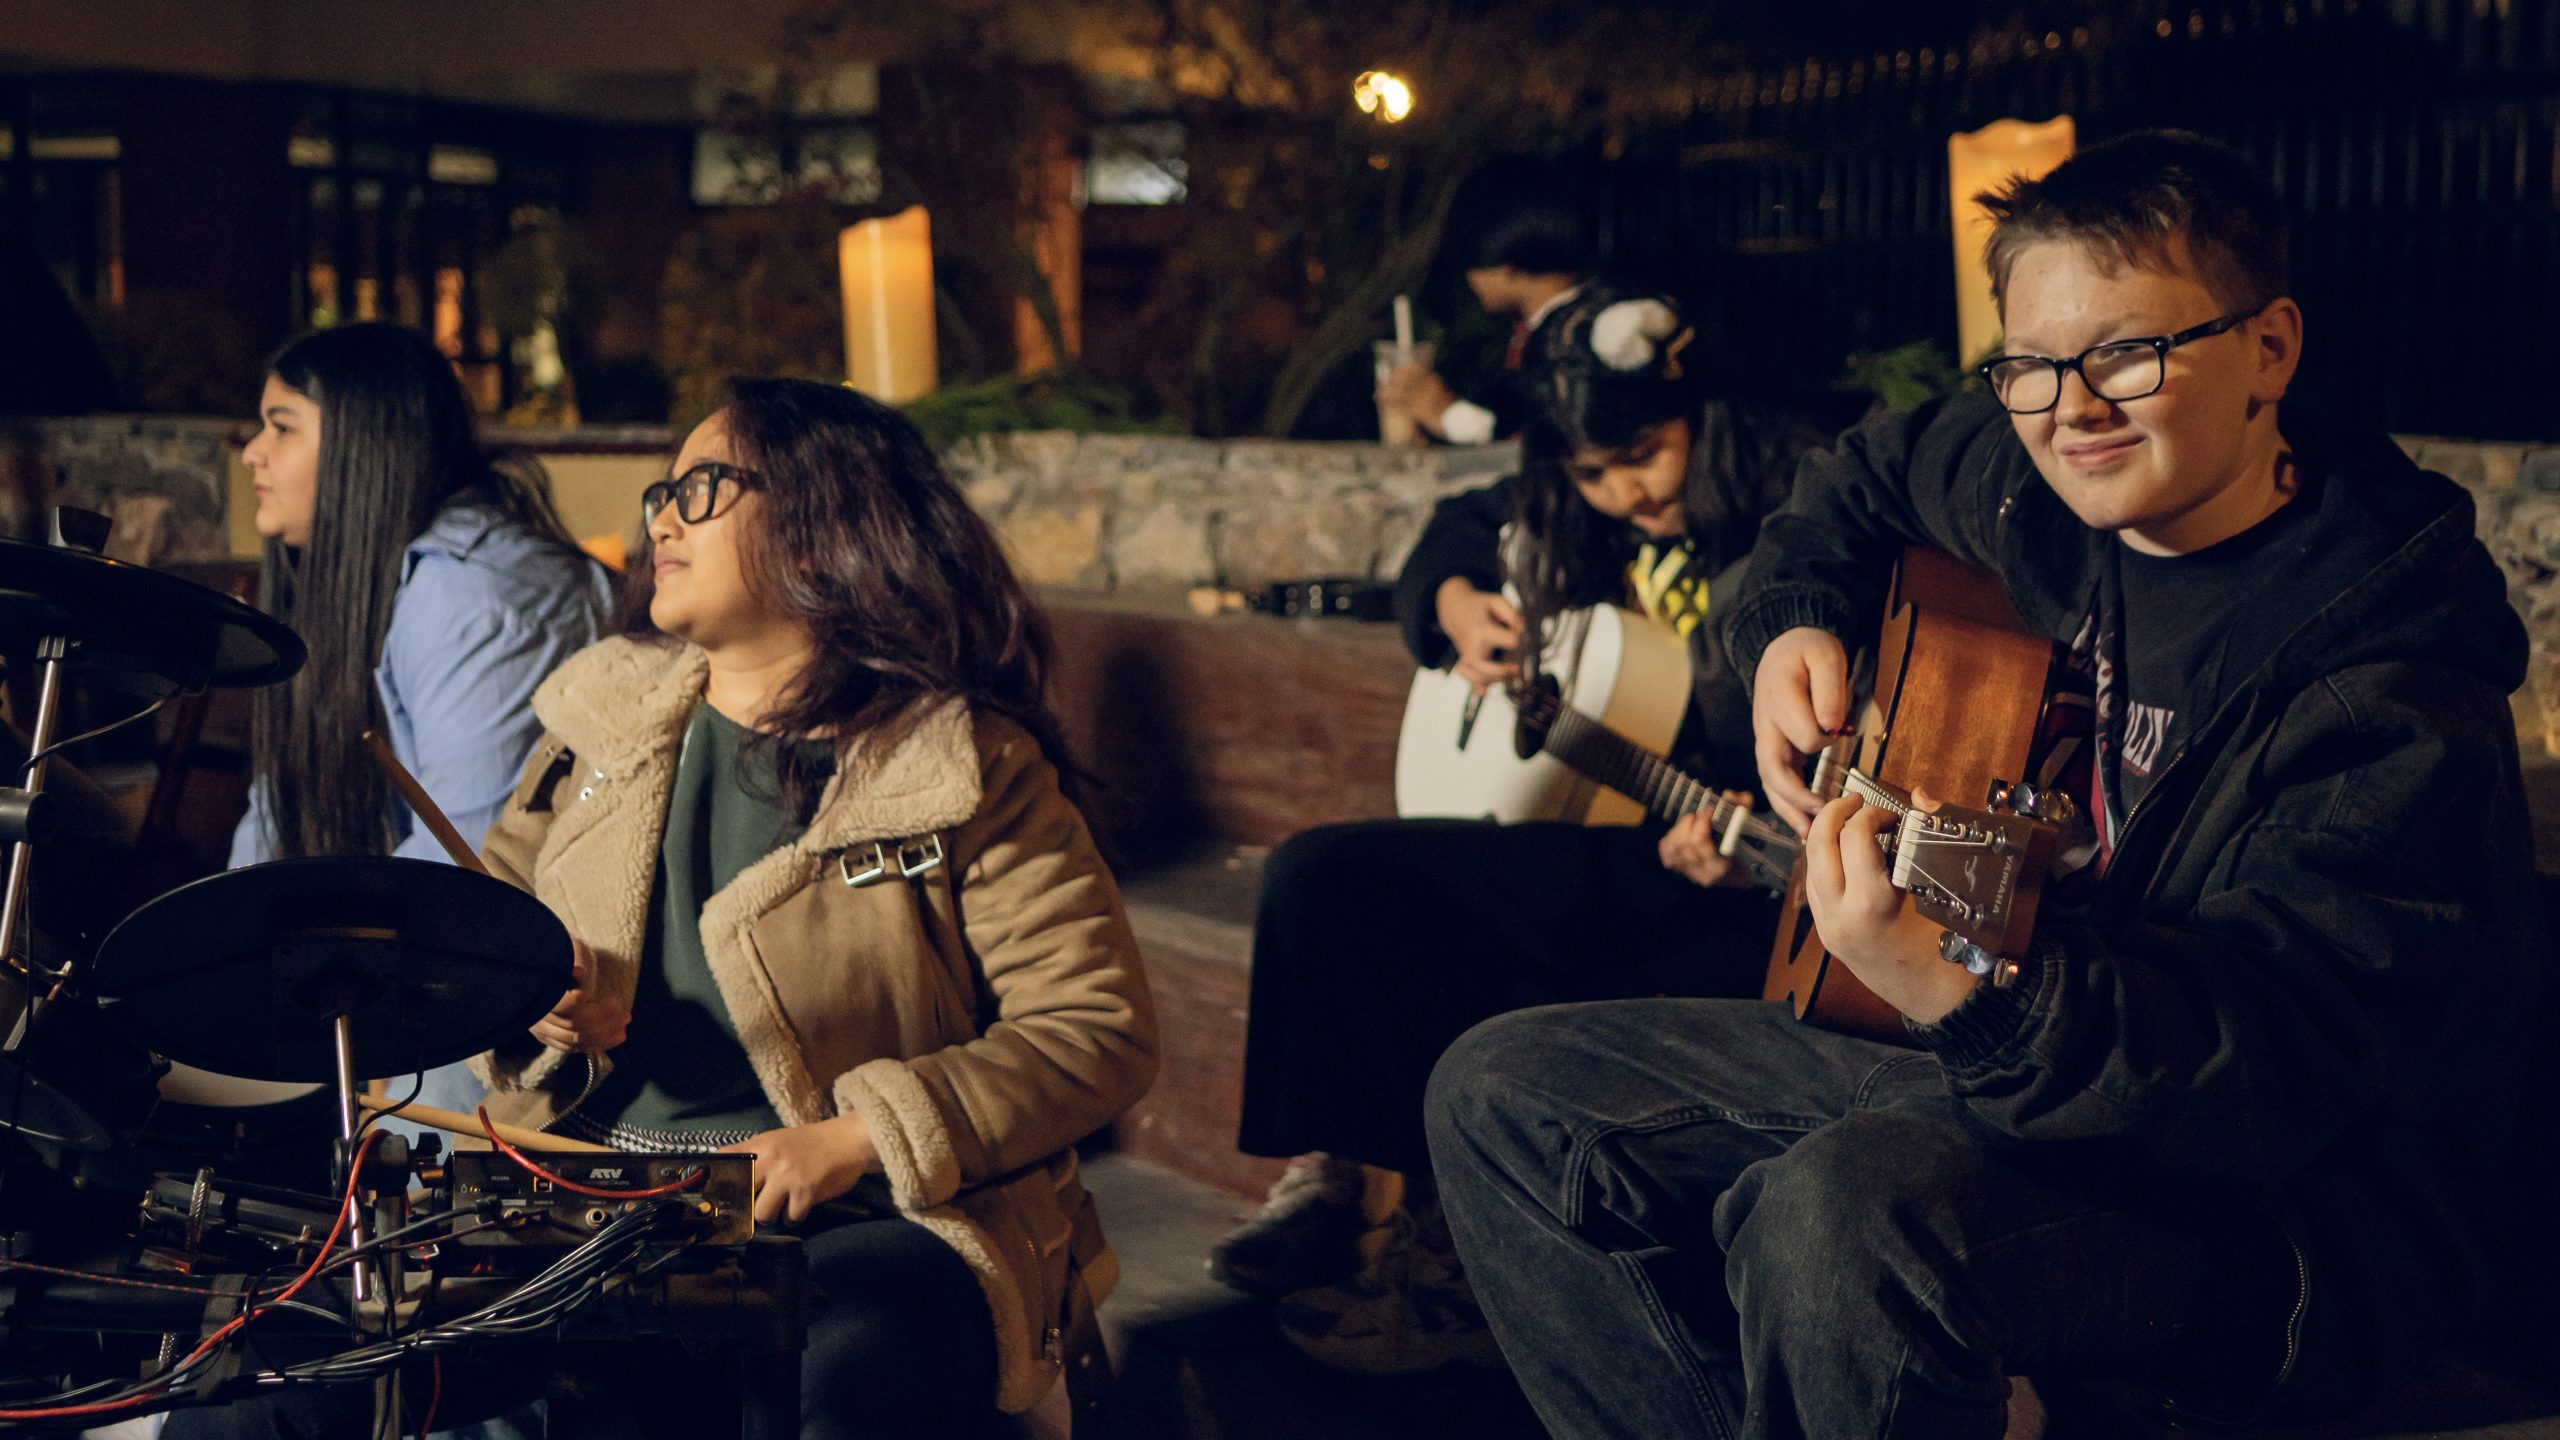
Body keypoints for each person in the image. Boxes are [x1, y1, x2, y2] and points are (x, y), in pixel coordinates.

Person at [1426, 130, 2538, 1439]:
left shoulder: (2384, 694)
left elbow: (2260, 1076)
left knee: (1844, 1212)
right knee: (1503, 1095)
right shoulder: (2033, 488)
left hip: (2282, 1212)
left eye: (2130, 353)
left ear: (2269, 349)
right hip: (2028, 1072)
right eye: (2030, 366)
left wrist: (1960, 988)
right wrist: (1789, 620)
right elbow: (1848, 479)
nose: (2073, 409)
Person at [1213, 286, 1853, 1375]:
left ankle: (1466, 1271)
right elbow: (1462, 524)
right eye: (1591, 474)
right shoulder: (1579, 510)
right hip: (1625, 837)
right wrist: (1455, 603)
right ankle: (1347, 1180)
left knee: (1479, 947)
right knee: (1323, 872)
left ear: (1700, 411)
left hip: (1755, 882)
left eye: (1641, 456)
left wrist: (1761, 821)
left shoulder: (1806, 515)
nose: (1622, 492)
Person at [229, 321, 609, 1141]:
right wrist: (213, 959)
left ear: (363, 446)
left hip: (541, 1002)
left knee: (392, 1145)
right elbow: (274, 814)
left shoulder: (471, 597)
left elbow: (460, 876)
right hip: (460, 966)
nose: (252, 452)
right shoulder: (363, 579)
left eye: (281, 427)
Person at [1375, 180, 1593, 446]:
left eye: (1470, 262)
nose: (1469, 279)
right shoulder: (1532, 331)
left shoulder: (1580, 335)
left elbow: (1561, 438)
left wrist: (1449, 416)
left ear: (1505, 264)